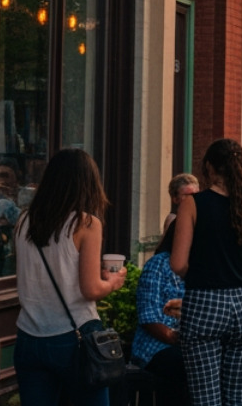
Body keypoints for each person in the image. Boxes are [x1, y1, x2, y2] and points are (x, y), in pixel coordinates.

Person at [13, 148, 126, 406]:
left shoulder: (23, 221)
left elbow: (38, 275)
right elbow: (91, 290)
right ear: (88, 183)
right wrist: (113, 282)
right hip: (72, 337)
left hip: (28, 336)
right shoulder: (86, 224)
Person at [171, 139, 242, 406]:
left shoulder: (193, 204)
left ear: (209, 167)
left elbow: (178, 263)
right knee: (237, 393)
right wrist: (235, 262)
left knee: (206, 397)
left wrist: (208, 266)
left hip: (204, 302)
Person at [133, 222, 189, 406]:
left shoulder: (201, 265)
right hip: (156, 346)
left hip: (189, 343)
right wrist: (176, 338)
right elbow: (148, 317)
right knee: (182, 364)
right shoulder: (157, 265)